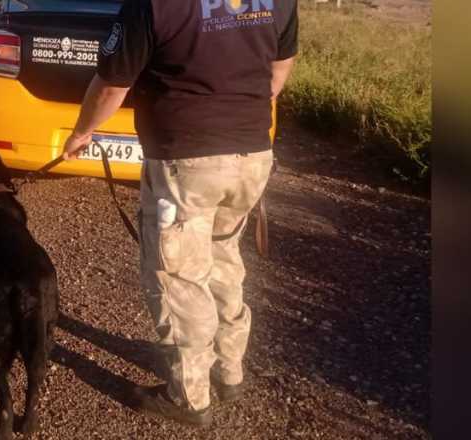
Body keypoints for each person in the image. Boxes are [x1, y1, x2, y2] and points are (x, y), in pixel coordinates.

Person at [62, 0, 298, 426]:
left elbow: (112, 86)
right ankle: (229, 371)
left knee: (179, 278)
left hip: (187, 162)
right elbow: (280, 68)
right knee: (224, 256)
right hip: (252, 156)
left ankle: (189, 397)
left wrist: (83, 132)